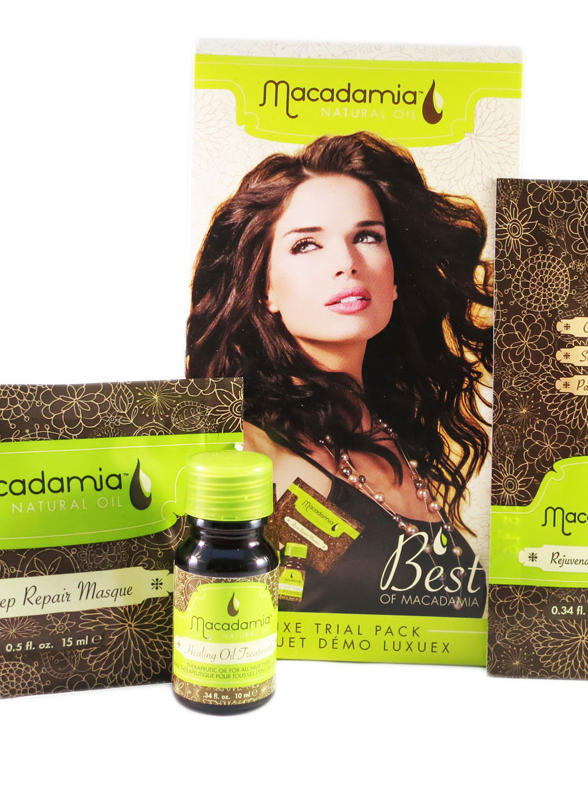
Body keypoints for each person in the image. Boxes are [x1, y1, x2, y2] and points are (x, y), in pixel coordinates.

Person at [187, 132, 491, 617]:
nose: (346, 264)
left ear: (395, 277)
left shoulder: (396, 432)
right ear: (266, 290)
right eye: (306, 244)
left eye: (367, 236)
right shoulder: (249, 451)